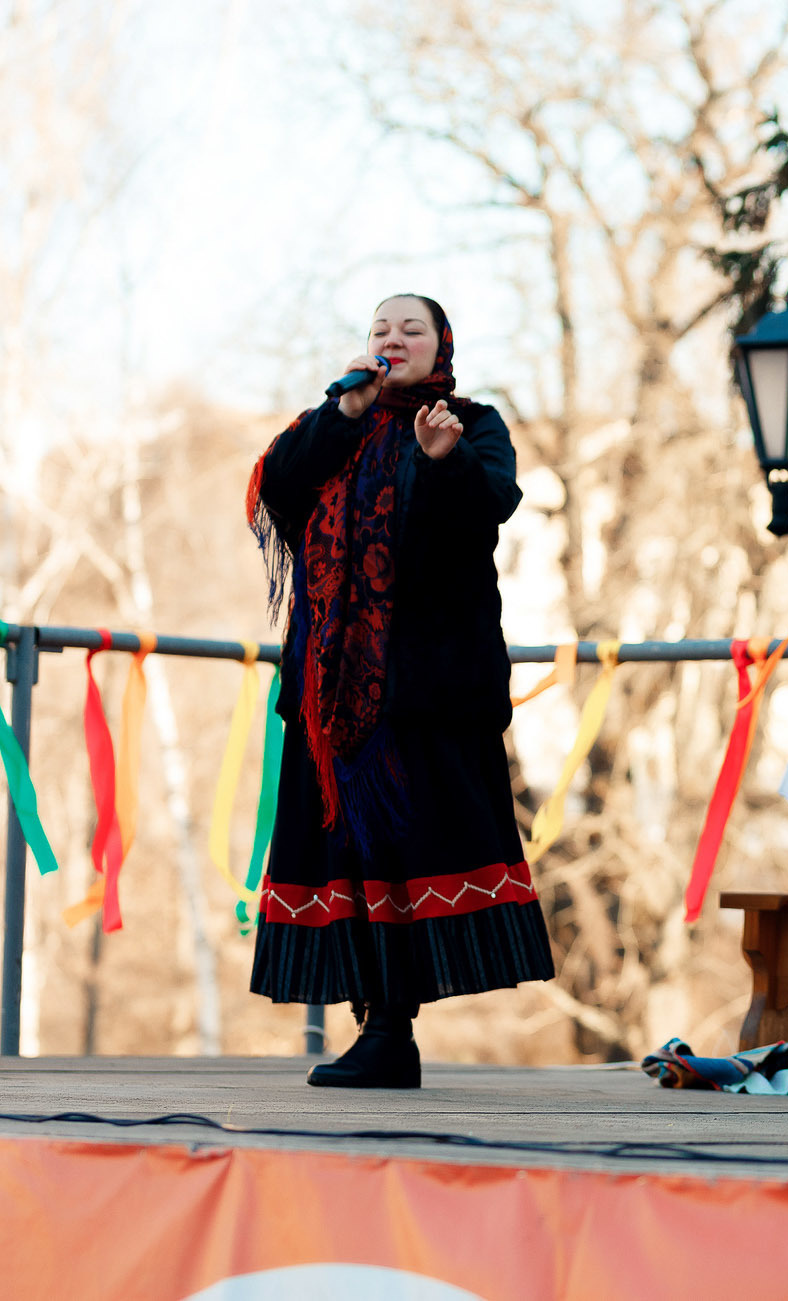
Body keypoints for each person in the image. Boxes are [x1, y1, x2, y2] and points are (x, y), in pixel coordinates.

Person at [245, 294, 554, 1088]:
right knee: (347, 862)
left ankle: (391, 1030)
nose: (393, 340)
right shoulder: (335, 424)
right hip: (334, 693)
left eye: (411, 329)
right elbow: (278, 491)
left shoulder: (472, 422)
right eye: (380, 329)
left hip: (425, 688)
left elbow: (486, 511)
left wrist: (439, 460)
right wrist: (339, 413)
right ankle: (379, 1032)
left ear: (441, 345)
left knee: (407, 856)